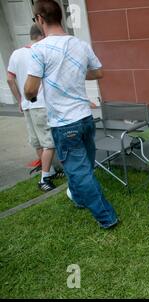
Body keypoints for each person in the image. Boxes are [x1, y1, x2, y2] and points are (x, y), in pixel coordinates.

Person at [24, 0, 118, 229]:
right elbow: (98, 72)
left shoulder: (39, 50)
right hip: (85, 119)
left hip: (64, 124)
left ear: (40, 20)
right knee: (82, 168)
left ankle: (107, 217)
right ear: (61, 17)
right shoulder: (79, 44)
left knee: (80, 172)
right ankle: (78, 199)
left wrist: (32, 96)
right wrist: (73, 75)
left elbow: (29, 89)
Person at [7, 24, 64, 192]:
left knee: (38, 142)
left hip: (27, 105)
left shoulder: (16, 54)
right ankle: (44, 178)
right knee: (50, 143)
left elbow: (10, 79)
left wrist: (19, 100)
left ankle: (51, 171)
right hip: (41, 104)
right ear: (42, 35)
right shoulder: (40, 51)